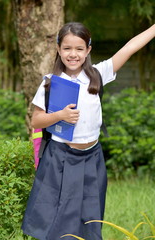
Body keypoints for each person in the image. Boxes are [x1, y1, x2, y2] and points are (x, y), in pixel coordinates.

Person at [22, 22, 155, 240]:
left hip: (92, 158)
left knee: (91, 215)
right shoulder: (50, 83)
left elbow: (129, 48)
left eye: (79, 49)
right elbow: (36, 121)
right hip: (61, 158)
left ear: (88, 50)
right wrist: (59, 116)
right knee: (61, 219)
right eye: (67, 48)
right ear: (58, 49)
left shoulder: (98, 74)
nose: (72, 54)